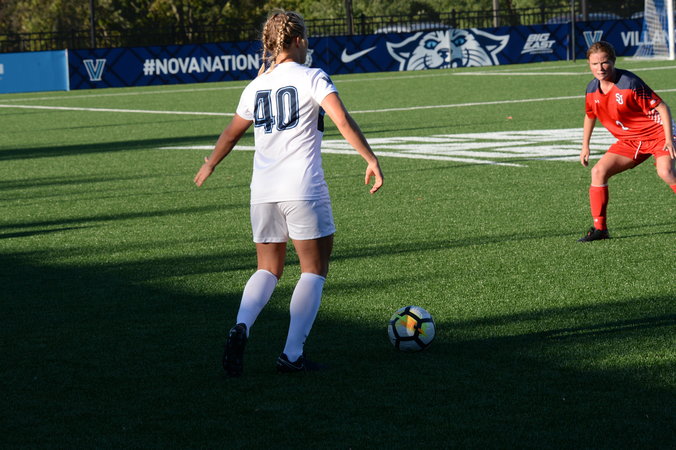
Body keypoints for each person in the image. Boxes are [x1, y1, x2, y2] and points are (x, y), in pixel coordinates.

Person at [194, 9, 383, 376]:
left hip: (262, 191)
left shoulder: (256, 85)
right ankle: (292, 354)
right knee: (313, 270)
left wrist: (210, 164)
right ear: (298, 41)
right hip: (302, 188)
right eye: (305, 38)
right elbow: (342, 119)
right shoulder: (313, 77)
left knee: (267, 268)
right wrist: (370, 158)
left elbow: (231, 133)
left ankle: (242, 324)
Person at [578, 41, 676, 242]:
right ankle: (600, 230)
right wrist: (585, 145)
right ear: (589, 64)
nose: (600, 68)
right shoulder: (591, 89)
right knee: (598, 172)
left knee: (665, 172)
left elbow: (662, 108)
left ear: (613, 61)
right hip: (630, 140)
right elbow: (590, 115)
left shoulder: (629, 83)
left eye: (604, 62)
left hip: (657, 134)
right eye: (595, 64)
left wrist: (669, 139)